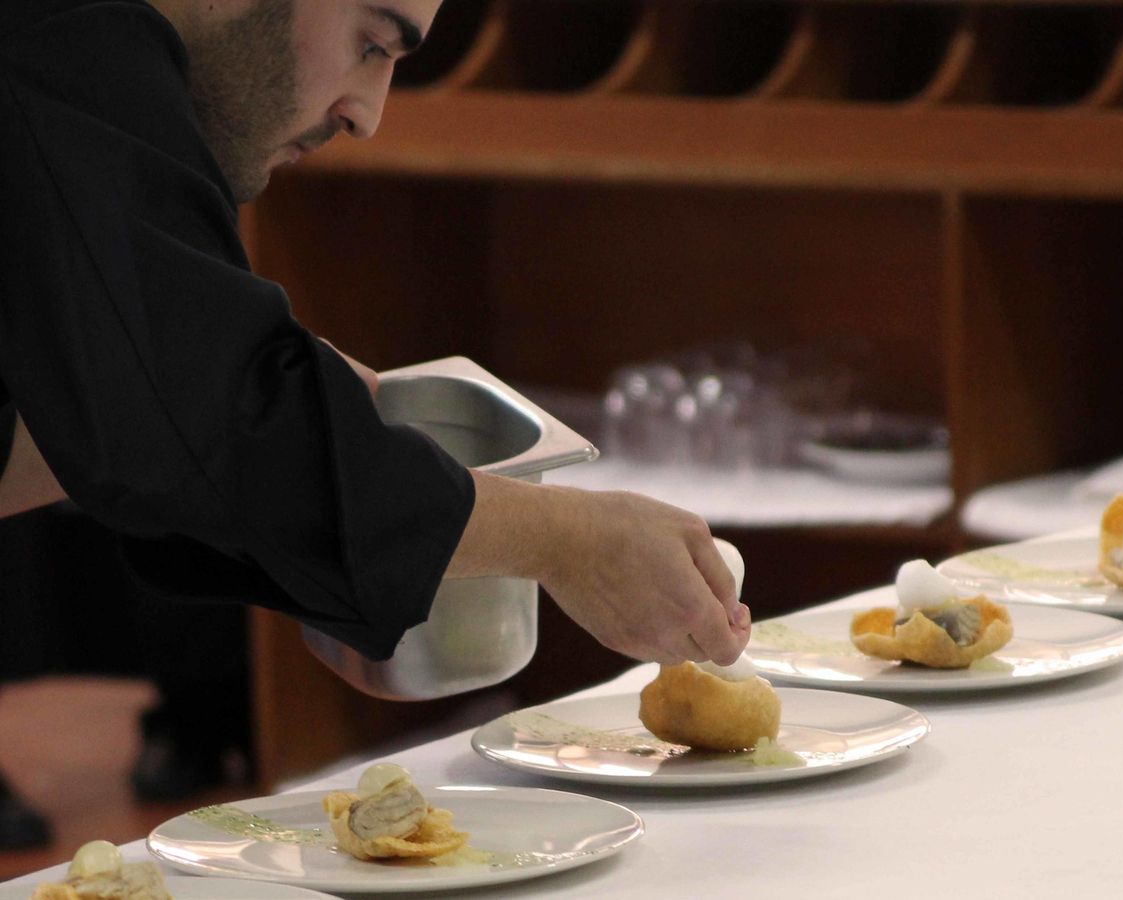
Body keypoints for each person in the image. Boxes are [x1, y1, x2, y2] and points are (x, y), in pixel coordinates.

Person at [0, 0, 751, 848]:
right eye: (370, 43)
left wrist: (254, 398)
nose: (366, 114)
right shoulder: (61, 30)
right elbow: (220, 422)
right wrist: (564, 538)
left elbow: (150, 417)